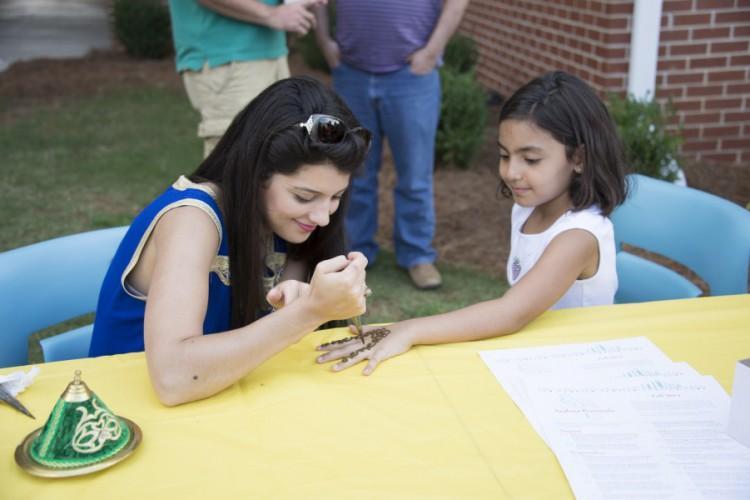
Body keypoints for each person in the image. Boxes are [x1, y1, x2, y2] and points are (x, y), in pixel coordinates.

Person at [315, 71, 629, 375]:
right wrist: (396, 329)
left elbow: (512, 312)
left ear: (579, 159)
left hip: (580, 368)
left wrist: (408, 329)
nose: (511, 172)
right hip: (536, 353)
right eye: (505, 155)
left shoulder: (577, 236)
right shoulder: (528, 208)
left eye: (530, 159)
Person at [90, 77, 372, 405]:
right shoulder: (192, 220)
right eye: (304, 196)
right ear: (255, 173)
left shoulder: (289, 225)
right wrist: (311, 312)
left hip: (221, 400)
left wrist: (306, 302)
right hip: (119, 414)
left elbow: (270, 337)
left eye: (336, 196)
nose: (323, 217)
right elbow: (173, 379)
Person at [313, 0, 469, 290]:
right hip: (351, 73)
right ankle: (353, 253)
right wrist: (324, 41)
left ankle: (417, 255)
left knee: (415, 176)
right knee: (352, 173)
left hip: (411, 77)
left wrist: (432, 52)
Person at [168, 0, 327, 157]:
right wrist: (270, 14)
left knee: (273, 165)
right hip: (226, 61)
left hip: (269, 53)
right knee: (234, 169)